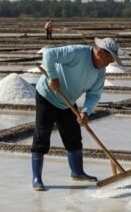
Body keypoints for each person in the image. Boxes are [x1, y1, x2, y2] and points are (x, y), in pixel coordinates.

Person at [31, 38, 124, 191]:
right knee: (42, 136)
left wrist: (86, 112)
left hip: (67, 100)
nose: (109, 64)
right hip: (47, 96)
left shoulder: (100, 72)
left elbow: (94, 94)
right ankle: (37, 178)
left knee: (73, 136)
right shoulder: (78, 52)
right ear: (100, 52)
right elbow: (49, 54)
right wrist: (53, 76)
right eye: (109, 59)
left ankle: (77, 172)